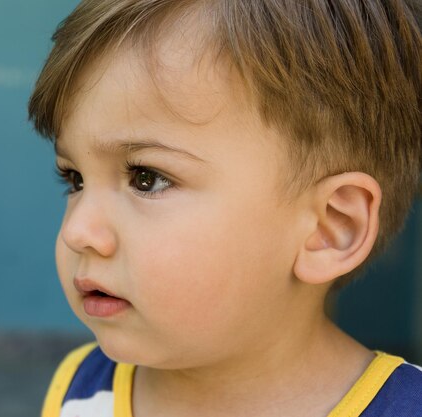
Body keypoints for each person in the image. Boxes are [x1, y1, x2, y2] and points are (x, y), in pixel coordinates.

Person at [28, 1, 422, 416]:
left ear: (329, 228)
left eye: (147, 178)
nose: (78, 231)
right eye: (75, 179)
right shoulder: (82, 389)